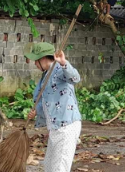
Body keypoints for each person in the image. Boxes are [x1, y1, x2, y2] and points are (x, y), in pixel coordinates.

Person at [25, 42, 82, 172]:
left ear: (44, 58)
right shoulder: (45, 75)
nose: (35, 64)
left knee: (59, 168)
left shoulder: (59, 69)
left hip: (66, 126)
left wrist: (63, 62)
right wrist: (37, 112)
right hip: (56, 128)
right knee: (49, 167)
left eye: (36, 60)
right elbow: (47, 101)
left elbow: (75, 78)